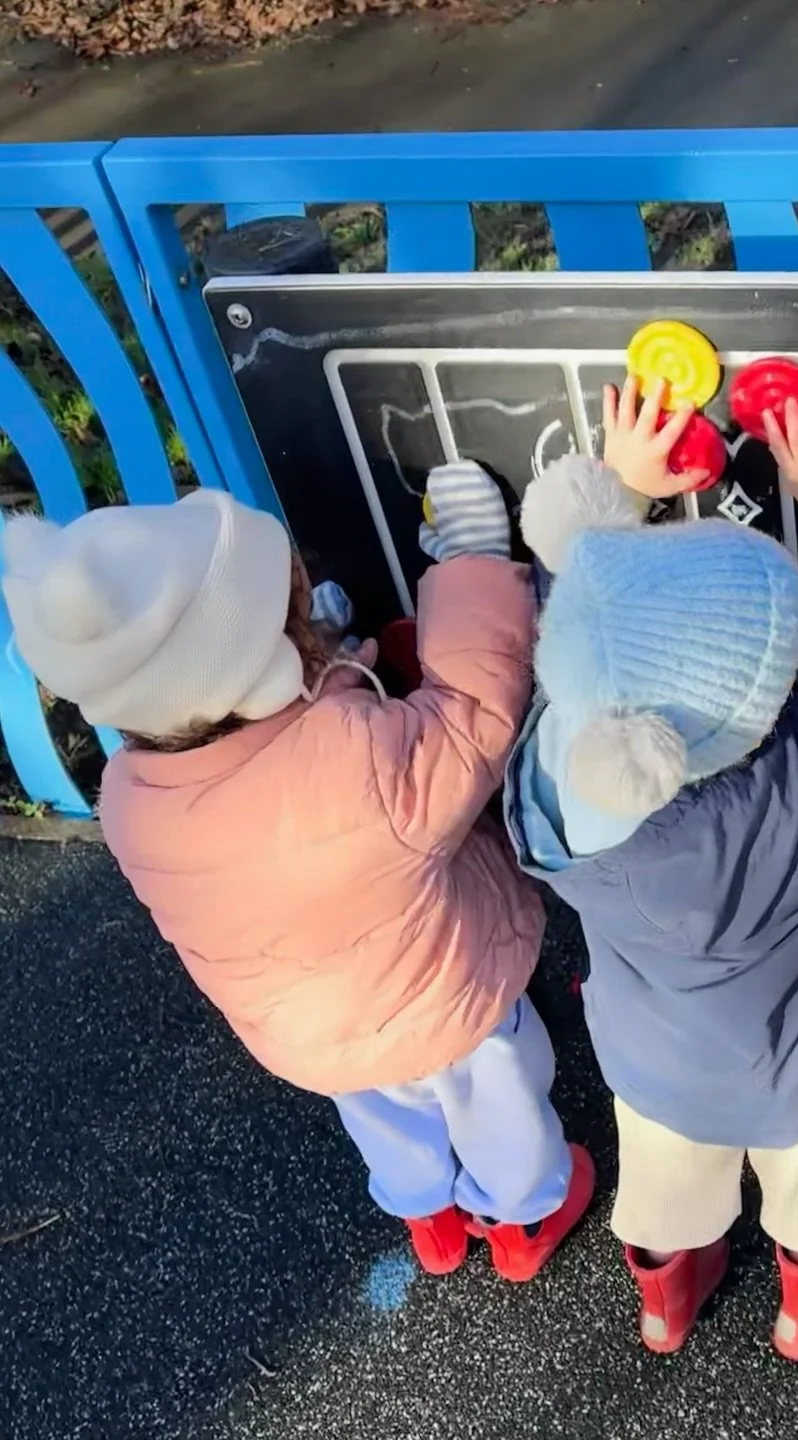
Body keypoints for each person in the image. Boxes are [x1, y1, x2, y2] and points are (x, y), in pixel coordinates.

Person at [0, 462, 593, 1280]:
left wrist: (320, 664)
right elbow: (472, 709)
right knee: (498, 1099)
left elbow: (254, 745)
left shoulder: (131, 798)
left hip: (313, 1039)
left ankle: (429, 1218)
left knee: (385, 1118)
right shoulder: (358, 764)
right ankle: (522, 1215)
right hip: (448, 1004)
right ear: (265, 657)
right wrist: (468, 566)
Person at [504, 381, 798, 1358]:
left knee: (661, 1182)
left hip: (649, 1063)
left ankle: (667, 1296)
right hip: (794, 1068)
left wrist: (615, 489)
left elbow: (581, 638)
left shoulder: (553, 777)